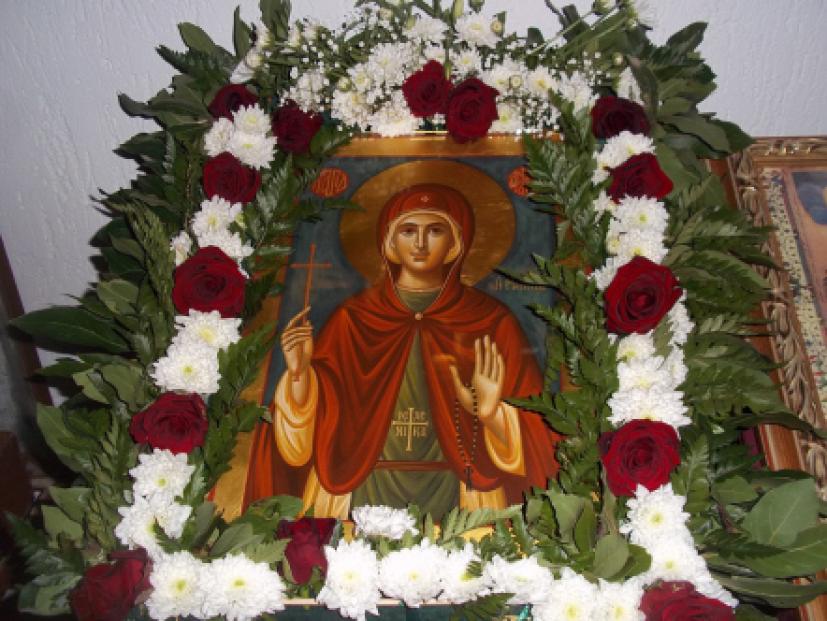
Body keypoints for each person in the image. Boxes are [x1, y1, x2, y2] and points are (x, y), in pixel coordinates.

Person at [243, 183, 559, 519]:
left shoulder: (490, 322)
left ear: (455, 243)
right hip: (358, 486)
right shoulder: (353, 319)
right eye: (408, 231)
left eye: (435, 231)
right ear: (390, 242)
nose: (420, 243)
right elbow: (315, 425)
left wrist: (492, 413)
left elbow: (537, 432)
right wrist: (299, 375)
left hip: (462, 493)